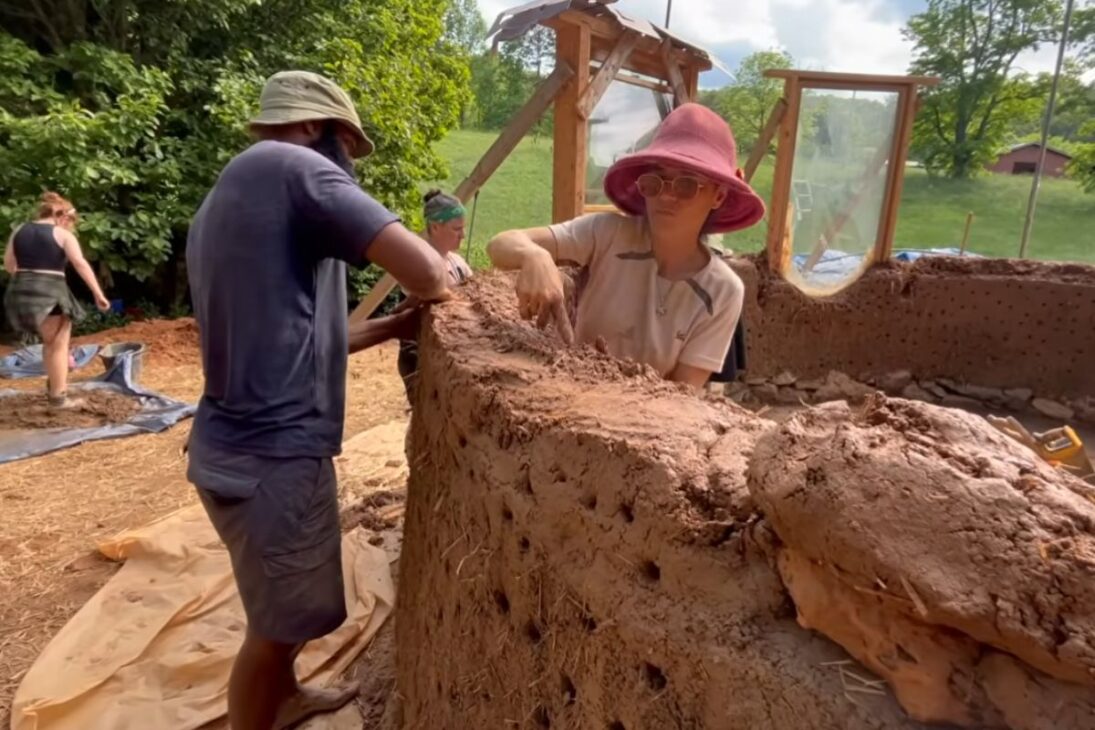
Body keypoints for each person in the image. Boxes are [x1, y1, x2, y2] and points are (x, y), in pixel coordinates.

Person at [185, 70, 449, 730]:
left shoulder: (231, 191)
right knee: (276, 627)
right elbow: (427, 271)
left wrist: (393, 327)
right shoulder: (295, 167)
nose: (348, 164)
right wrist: (442, 284)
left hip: (234, 446)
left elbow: (309, 337)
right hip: (271, 456)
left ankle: (286, 699)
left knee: (284, 611)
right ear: (314, 127)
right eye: (347, 146)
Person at [487, 103, 765, 389]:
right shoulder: (607, 233)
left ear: (718, 196)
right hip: (567, 394)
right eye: (655, 181)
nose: (666, 195)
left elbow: (683, 394)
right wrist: (535, 256)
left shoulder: (722, 291)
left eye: (686, 185)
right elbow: (500, 244)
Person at [3, 192, 110, 406]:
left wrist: (28, 279)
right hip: (50, 292)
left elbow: (9, 264)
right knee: (58, 344)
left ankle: (54, 386)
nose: (70, 227)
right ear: (63, 216)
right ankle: (58, 397)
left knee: (46, 343)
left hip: (19, 290)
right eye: (70, 222)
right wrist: (98, 294)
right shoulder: (62, 235)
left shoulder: (19, 230)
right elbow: (80, 263)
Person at [396, 189, 472, 397]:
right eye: (457, 229)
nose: (463, 235)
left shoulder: (457, 262)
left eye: (463, 228)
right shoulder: (418, 263)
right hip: (421, 359)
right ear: (436, 227)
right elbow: (438, 296)